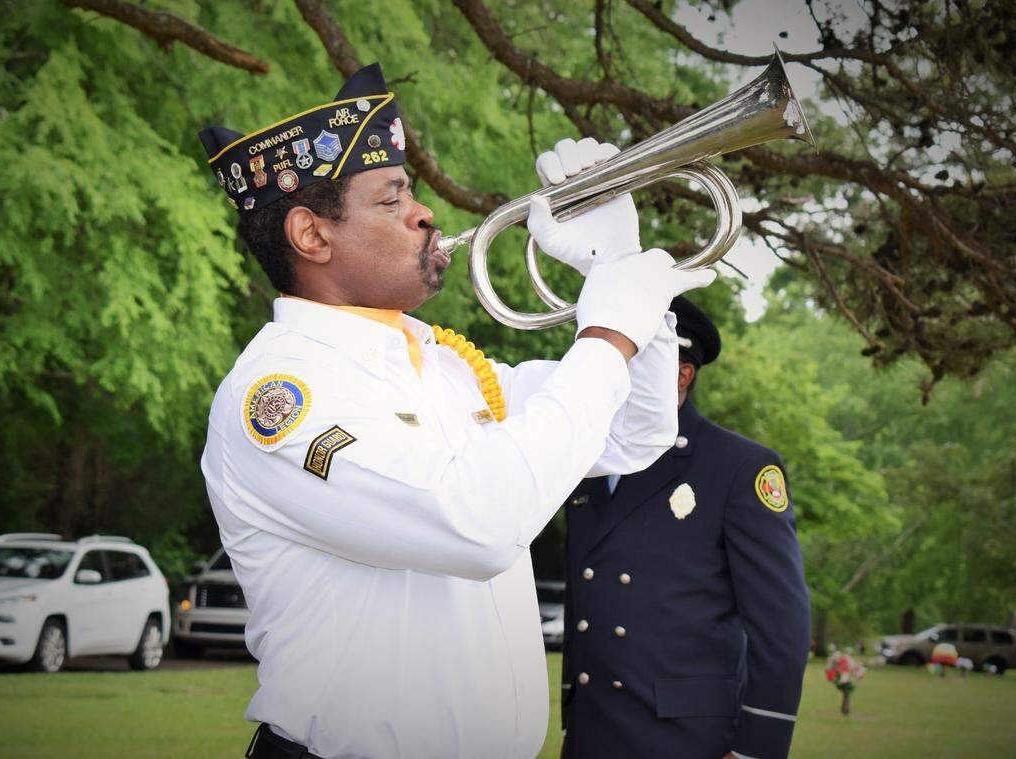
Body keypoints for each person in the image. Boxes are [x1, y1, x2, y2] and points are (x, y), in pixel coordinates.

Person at [197, 63, 715, 758]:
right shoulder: (283, 392)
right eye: (390, 201)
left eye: (410, 193)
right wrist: (605, 334)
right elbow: (477, 525)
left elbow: (636, 433)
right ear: (312, 236)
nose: (425, 214)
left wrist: (617, 267)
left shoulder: (443, 364)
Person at [559, 297, 812, 759]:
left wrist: (758, 747)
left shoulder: (739, 467)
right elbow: (585, 603)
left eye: (631, 359)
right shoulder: (587, 464)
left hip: (684, 738)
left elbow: (782, 627)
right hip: (591, 731)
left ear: (681, 376)